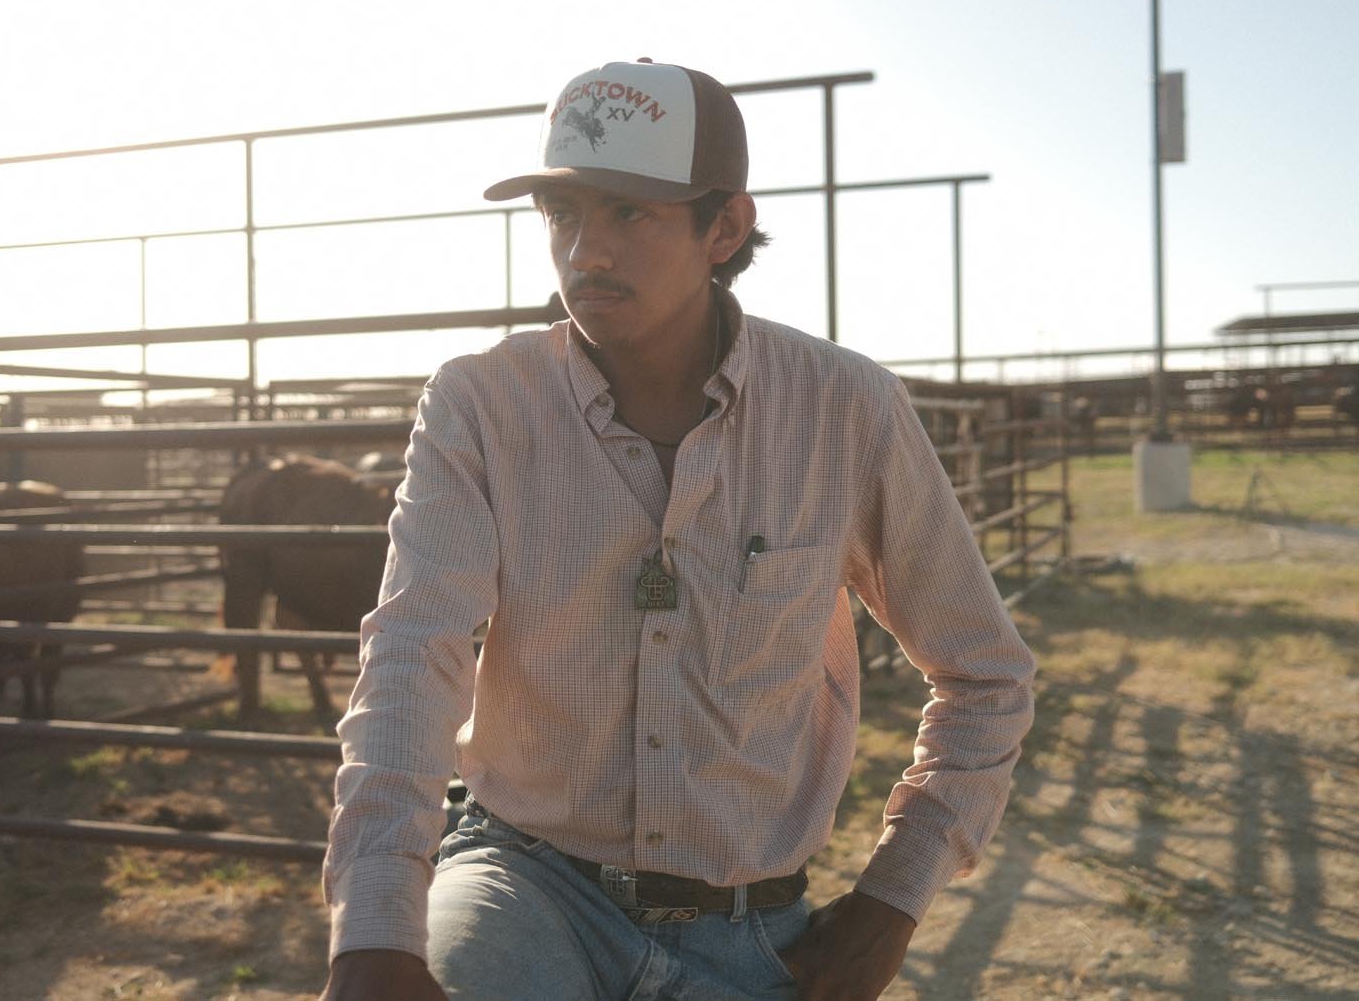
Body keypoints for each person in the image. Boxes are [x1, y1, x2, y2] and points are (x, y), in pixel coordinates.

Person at [322, 59, 1036, 1000]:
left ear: (726, 227)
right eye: (564, 214)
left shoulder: (842, 410)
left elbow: (985, 673)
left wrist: (889, 907)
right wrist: (375, 928)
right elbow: (414, 652)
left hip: (750, 932)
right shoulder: (482, 405)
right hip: (524, 884)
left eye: (630, 213)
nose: (587, 250)